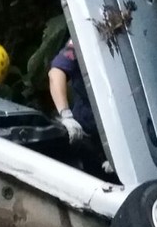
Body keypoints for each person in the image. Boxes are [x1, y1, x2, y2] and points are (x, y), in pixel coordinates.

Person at [47, 39, 112, 176]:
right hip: (86, 136)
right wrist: (65, 115)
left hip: (124, 141)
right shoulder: (82, 38)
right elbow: (56, 72)